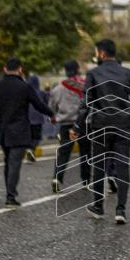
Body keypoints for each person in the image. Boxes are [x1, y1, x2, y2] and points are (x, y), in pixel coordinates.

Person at [72, 39, 130, 224]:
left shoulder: (94, 73)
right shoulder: (128, 73)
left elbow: (85, 103)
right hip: (123, 124)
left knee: (99, 166)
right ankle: (121, 210)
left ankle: (98, 206)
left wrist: (77, 126)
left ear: (101, 53)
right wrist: (123, 108)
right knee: (122, 166)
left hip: (100, 124)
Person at [0, 58, 55, 208]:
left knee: (7, 162)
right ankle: (10, 197)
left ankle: (9, 192)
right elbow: (39, 105)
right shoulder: (24, 87)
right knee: (14, 164)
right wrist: (52, 114)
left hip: (3, 132)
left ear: (5, 69)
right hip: (20, 131)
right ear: (20, 69)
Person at [50, 60, 91, 192]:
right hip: (83, 124)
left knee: (63, 153)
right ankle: (85, 181)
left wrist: (54, 118)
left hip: (66, 124)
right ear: (78, 69)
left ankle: (57, 177)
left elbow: (52, 107)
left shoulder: (58, 89)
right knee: (85, 153)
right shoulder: (85, 86)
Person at [26, 74, 48, 162]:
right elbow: (46, 102)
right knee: (37, 137)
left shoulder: (25, 92)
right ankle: (31, 150)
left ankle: (29, 150)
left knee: (29, 136)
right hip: (38, 118)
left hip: (26, 118)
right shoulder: (41, 93)